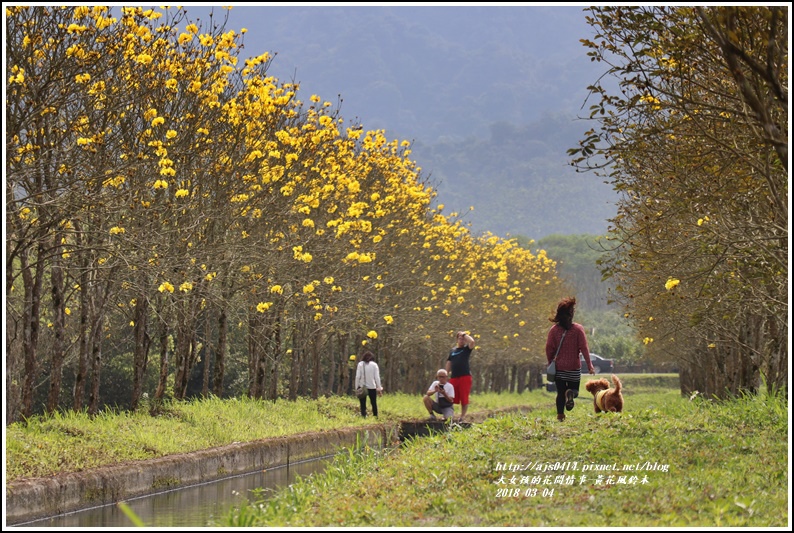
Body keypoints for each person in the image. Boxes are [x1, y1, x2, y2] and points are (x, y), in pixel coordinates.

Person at [546, 297, 594, 421]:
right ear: (571, 314)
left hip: (559, 368)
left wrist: (550, 362)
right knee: (575, 390)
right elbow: (584, 348)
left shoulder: (554, 330)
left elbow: (549, 348)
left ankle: (560, 416)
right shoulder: (578, 329)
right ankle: (571, 393)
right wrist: (589, 365)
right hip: (574, 367)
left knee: (560, 393)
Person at [446, 330, 475, 422]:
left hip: (465, 376)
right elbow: (449, 362)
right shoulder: (453, 351)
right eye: (459, 339)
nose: (461, 340)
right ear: (457, 340)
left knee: (464, 397)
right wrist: (445, 374)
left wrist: (464, 334)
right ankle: (449, 415)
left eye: (463, 339)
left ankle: (462, 417)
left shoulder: (466, 349)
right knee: (450, 396)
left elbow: (472, 342)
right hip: (454, 377)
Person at [355, 351, 383, 417]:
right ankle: (375, 416)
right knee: (373, 403)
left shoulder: (360, 364)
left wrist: (356, 387)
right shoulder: (374, 365)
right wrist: (379, 388)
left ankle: (363, 415)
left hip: (362, 387)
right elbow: (377, 377)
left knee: (362, 403)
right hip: (372, 387)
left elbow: (357, 376)